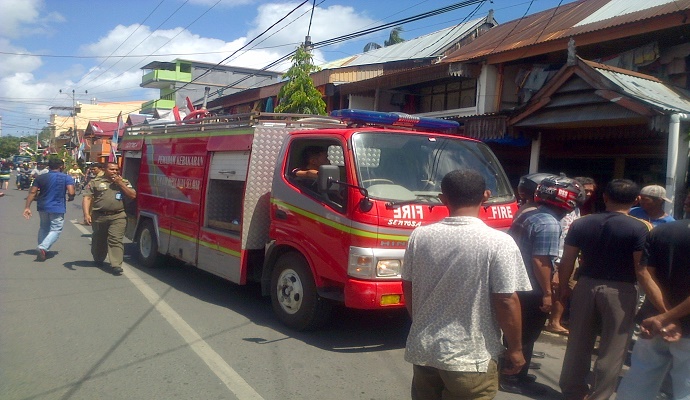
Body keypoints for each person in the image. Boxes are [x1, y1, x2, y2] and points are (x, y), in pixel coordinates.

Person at [402, 169, 531, 400]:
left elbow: (408, 286)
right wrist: (516, 348)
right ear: (486, 196)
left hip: (425, 350)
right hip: (470, 359)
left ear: (443, 199)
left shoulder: (419, 236)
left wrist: (421, 323)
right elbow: (506, 300)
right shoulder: (499, 242)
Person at [558, 179, 652, 400]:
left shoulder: (582, 223)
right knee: (613, 348)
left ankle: (573, 391)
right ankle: (599, 395)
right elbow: (641, 269)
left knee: (578, 342)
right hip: (621, 290)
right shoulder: (639, 227)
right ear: (636, 199)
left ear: (605, 197)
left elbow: (567, 260)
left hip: (586, 285)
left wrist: (563, 288)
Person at [501, 175, 584, 396]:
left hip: (519, 281)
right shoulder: (548, 222)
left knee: (518, 331)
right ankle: (511, 377)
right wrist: (548, 293)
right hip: (531, 285)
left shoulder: (533, 215)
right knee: (527, 333)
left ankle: (513, 370)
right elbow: (541, 261)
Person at [616, 191, 690, 400]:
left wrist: (664, 315)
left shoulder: (662, 231)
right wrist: (669, 318)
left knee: (640, 378)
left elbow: (644, 273)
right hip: (673, 324)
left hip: (653, 321)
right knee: (686, 386)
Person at [546, 176, 597, 336]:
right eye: (585, 190)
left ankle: (556, 320)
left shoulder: (575, 208)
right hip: (557, 254)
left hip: (569, 254)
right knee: (557, 288)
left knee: (565, 288)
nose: (588, 194)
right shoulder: (559, 208)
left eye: (590, 192)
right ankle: (552, 321)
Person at [82, 162, 136, 275]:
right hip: (99, 216)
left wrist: (120, 184)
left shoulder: (124, 182)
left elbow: (132, 195)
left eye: (116, 169)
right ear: (105, 170)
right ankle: (98, 258)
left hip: (118, 215)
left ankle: (116, 265)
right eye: (112, 169)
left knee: (115, 239)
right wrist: (86, 214)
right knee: (99, 239)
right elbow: (87, 198)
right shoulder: (95, 182)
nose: (115, 172)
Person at [22, 159, 76, 261]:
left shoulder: (40, 177)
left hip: (42, 206)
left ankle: (43, 248)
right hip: (57, 207)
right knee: (56, 229)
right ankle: (43, 247)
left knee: (43, 227)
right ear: (61, 166)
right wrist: (71, 197)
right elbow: (71, 192)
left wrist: (27, 207)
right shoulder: (66, 177)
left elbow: (32, 192)